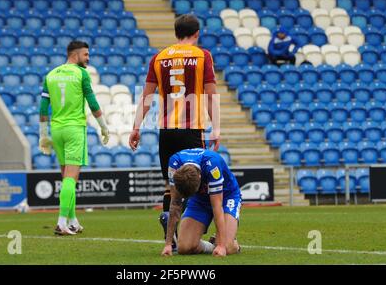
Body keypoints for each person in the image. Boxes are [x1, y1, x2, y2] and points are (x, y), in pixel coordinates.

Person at [128, 14, 220, 247]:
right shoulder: (203, 56)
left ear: (176, 33)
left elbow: (146, 97)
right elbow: (211, 95)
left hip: (166, 131)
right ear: (197, 34)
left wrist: (136, 127)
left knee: (173, 184)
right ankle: (197, 234)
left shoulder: (159, 58)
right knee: (198, 184)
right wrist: (216, 128)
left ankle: (172, 226)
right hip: (192, 129)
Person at [38, 41, 110, 236]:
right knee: (71, 177)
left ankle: (72, 221)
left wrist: (43, 135)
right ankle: (61, 223)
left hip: (57, 129)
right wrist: (104, 127)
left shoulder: (50, 75)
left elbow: (43, 108)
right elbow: (93, 102)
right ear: (75, 54)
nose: (88, 58)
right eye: (85, 54)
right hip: (74, 129)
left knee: (66, 177)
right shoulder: (81, 74)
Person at [161, 148, 242, 257]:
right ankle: (213, 244)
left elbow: (217, 206)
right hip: (199, 199)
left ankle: (231, 242)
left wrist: (222, 246)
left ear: (200, 177)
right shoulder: (174, 163)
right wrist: (168, 244)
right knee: (184, 247)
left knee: (226, 247)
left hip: (226, 196)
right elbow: (175, 203)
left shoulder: (212, 165)